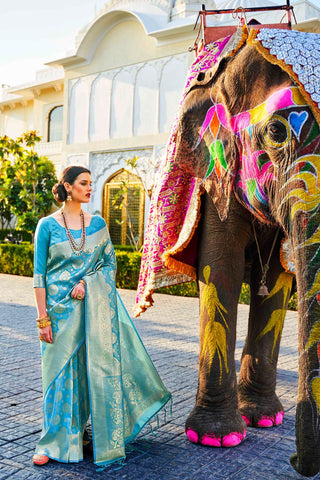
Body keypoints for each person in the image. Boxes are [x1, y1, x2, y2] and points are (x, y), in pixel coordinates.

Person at [32, 165, 171, 467]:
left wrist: (87, 283)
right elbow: (39, 276)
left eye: (92, 183)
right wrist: (43, 319)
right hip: (57, 315)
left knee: (86, 375)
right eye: (84, 183)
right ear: (67, 187)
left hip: (91, 313)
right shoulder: (47, 226)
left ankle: (77, 433)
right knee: (57, 379)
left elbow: (109, 265)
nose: (90, 188)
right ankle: (51, 441)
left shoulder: (98, 225)